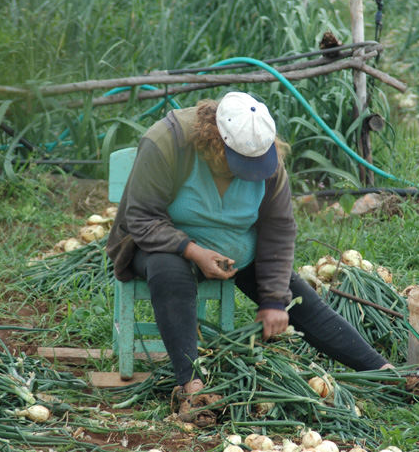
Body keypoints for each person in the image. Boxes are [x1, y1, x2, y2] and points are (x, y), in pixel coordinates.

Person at [106, 91, 394, 425]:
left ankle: (384, 372)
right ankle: (190, 386)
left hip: (233, 249)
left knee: (296, 296)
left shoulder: (265, 154)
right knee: (169, 270)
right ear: (216, 141)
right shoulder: (168, 141)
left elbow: (278, 228)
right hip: (159, 242)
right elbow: (139, 217)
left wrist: (273, 300)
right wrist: (193, 251)